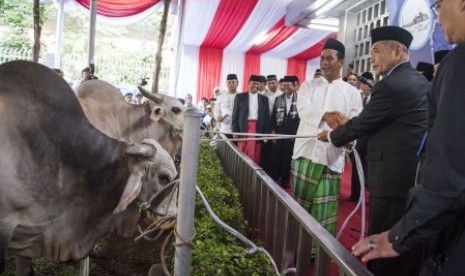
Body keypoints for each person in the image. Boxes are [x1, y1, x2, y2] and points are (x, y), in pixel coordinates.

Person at [352, 2, 465, 274]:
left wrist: (400, 235)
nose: (437, 17)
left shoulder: (458, 64)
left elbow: (450, 170)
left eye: (438, 5)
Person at [318, 26, 428, 276]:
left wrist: (332, 135)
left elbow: (364, 123)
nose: (371, 58)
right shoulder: (418, 80)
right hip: (412, 177)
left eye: (376, 52)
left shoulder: (390, 85)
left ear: (398, 51)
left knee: (384, 247)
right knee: (405, 246)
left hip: (391, 182)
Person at [292, 38, 362, 236]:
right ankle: (296, 247)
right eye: (322, 58)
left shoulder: (352, 93)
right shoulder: (308, 86)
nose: (324, 63)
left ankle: (317, 252)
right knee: (299, 208)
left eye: (329, 59)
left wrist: (350, 140)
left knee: (324, 212)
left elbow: (355, 125)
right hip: (304, 154)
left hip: (332, 157)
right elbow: (303, 111)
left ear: (341, 62)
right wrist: (326, 116)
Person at [269, 76, 300, 189]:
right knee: (276, 156)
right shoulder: (278, 98)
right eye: (284, 85)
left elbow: (301, 118)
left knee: (288, 157)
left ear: (295, 85)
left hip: (292, 133)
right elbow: (273, 117)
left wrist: (297, 134)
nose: (286, 87)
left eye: (289, 85)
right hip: (279, 131)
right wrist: (272, 132)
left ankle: (285, 180)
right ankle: (274, 178)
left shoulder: (300, 98)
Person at [348, 72, 374, 202]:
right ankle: (355, 195)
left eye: (368, 83)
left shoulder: (376, 100)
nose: (365, 86)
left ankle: (369, 196)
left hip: (370, 141)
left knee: (368, 168)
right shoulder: (361, 98)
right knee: (356, 166)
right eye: (364, 84)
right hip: (359, 139)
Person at [232, 75, 269, 164]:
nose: (255, 86)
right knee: (242, 152)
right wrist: (235, 131)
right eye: (253, 83)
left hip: (257, 129)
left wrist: (265, 134)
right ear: (248, 84)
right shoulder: (240, 97)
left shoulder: (264, 99)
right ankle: (241, 173)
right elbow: (235, 115)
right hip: (243, 128)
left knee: (255, 154)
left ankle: (252, 175)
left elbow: (266, 118)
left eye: (257, 84)